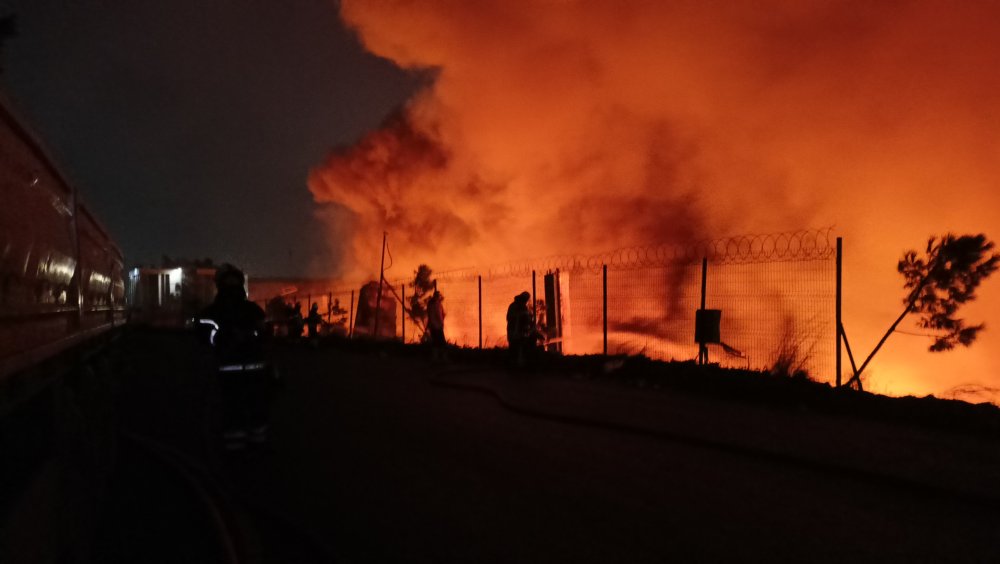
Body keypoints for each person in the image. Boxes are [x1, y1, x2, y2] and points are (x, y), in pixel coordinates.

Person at [196, 264, 272, 451]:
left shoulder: (210, 312)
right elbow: (266, 336)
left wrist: (229, 337)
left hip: (230, 371)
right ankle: (256, 450)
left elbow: (205, 339)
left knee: (234, 410)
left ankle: (236, 455)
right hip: (254, 371)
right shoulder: (254, 310)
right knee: (253, 409)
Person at [506, 291, 535, 368]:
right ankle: (517, 365)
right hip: (517, 332)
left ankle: (513, 365)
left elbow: (509, 318)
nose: (526, 301)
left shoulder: (512, 305)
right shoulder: (521, 306)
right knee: (519, 348)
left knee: (513, 348)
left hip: (512, 331)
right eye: (526, 299)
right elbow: (525, 319)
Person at [426, 290, 447, 362]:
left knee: (435, 343)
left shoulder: (430, 304)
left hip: (432, 326)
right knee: (442, 343)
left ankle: (435, 358)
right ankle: (443, 358)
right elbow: (438, 315)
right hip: (437, 326)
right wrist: (441, 323)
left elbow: (429, 315)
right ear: (438, 297)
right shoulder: (436, 304)